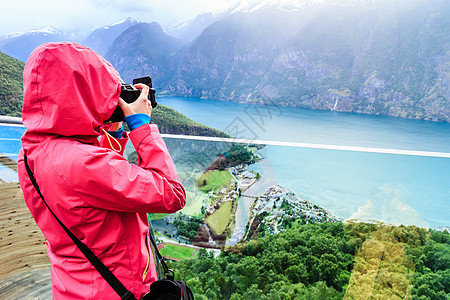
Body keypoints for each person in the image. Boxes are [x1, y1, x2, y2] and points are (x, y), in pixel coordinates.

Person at [17, 42, 186, 299]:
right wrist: (141, 127)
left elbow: (95, 192)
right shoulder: (83, 164)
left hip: (73, 285)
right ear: (83, 92)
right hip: (117, 289)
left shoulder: (30, 153)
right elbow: (172, 194)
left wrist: (113, 132)